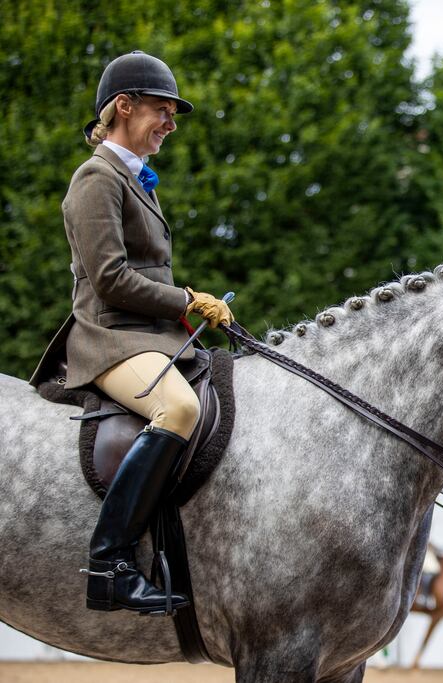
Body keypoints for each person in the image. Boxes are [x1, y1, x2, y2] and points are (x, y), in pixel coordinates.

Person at [30, 51, 233, 614]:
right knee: (180, 409)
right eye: (163, 111)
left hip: (149, 336)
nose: (170, 125)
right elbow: (112, 280)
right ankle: (110, 562)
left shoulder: (135, 180)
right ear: (124, 106)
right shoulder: (96, 177)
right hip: (109, 337)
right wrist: (186, 299)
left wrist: (193, 309)